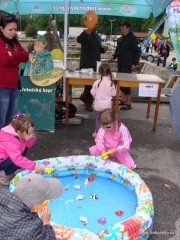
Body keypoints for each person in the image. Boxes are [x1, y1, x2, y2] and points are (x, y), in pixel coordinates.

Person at [0, 173, 63, 240]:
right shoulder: (33, 227)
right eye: (44, 200)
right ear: (36, 206)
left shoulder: (2, 193)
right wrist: (46, 222)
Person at [0, 13, 29, 129]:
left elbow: (26, 56)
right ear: (1, 29)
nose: (13, 32)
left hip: (14, 86)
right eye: (10, 29)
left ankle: (7, 145)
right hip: (2, 87)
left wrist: (13, 54)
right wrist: (16, 57)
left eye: (15, 29)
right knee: (1, 120)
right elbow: (4, 60)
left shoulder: (15, 43)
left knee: (12, 120)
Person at [0, 113, 44, 185]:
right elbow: (17, 159)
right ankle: (3, 174)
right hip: (2, 162)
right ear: (19, 132)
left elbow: (28, 144)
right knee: (15, 160)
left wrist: (31, 137)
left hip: (6, 158)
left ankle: (11, 169)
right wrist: (34, 165)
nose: (31, 135)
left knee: (23, 148)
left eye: (32, 132)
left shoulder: (17, 132)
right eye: (29, 133)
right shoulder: (11, 142)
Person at [77, 23, 109, 111]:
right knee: (88, 85)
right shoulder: (85, 34)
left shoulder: (97, 36)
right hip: (86, 64)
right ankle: (88, 103)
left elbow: (98, 49)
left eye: (97, 24)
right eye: (95, 24)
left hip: (95, 64)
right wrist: (87, 32)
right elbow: (79, 40)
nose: (96, 26)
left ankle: (84, 97)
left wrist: (103, 49)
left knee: (93, 84)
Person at [110, 22, 141, 110]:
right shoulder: (120, 39)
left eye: (123, 27)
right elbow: (117, 51)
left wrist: (135, 63)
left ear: (128, 28)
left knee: (126, 84)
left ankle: (128, 103)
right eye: (121, 27)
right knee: (121, 83)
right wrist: (114, 56)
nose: (121, 28)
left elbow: (138, 51)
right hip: (120, 64)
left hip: (128, 64)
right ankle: (123, 100)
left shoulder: (133, 39)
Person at [90, 62, 116, 137]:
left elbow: (92, 92)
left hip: (98, 106)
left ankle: (98, 134)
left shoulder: (97, 82)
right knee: (107, 121)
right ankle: (106, 135)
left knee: (98, 120)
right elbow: (114, 94)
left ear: (100, 72)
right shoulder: (111, 83)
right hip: (107, 107)